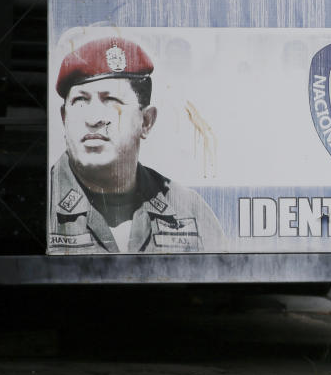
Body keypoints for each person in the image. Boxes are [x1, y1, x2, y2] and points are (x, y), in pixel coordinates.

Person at [49, 36, 224, 254]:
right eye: (80, 101)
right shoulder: (42, 203)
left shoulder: (189, 211)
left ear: (147, 122)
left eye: (111, 100)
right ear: (64, 118)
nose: (93, 119)